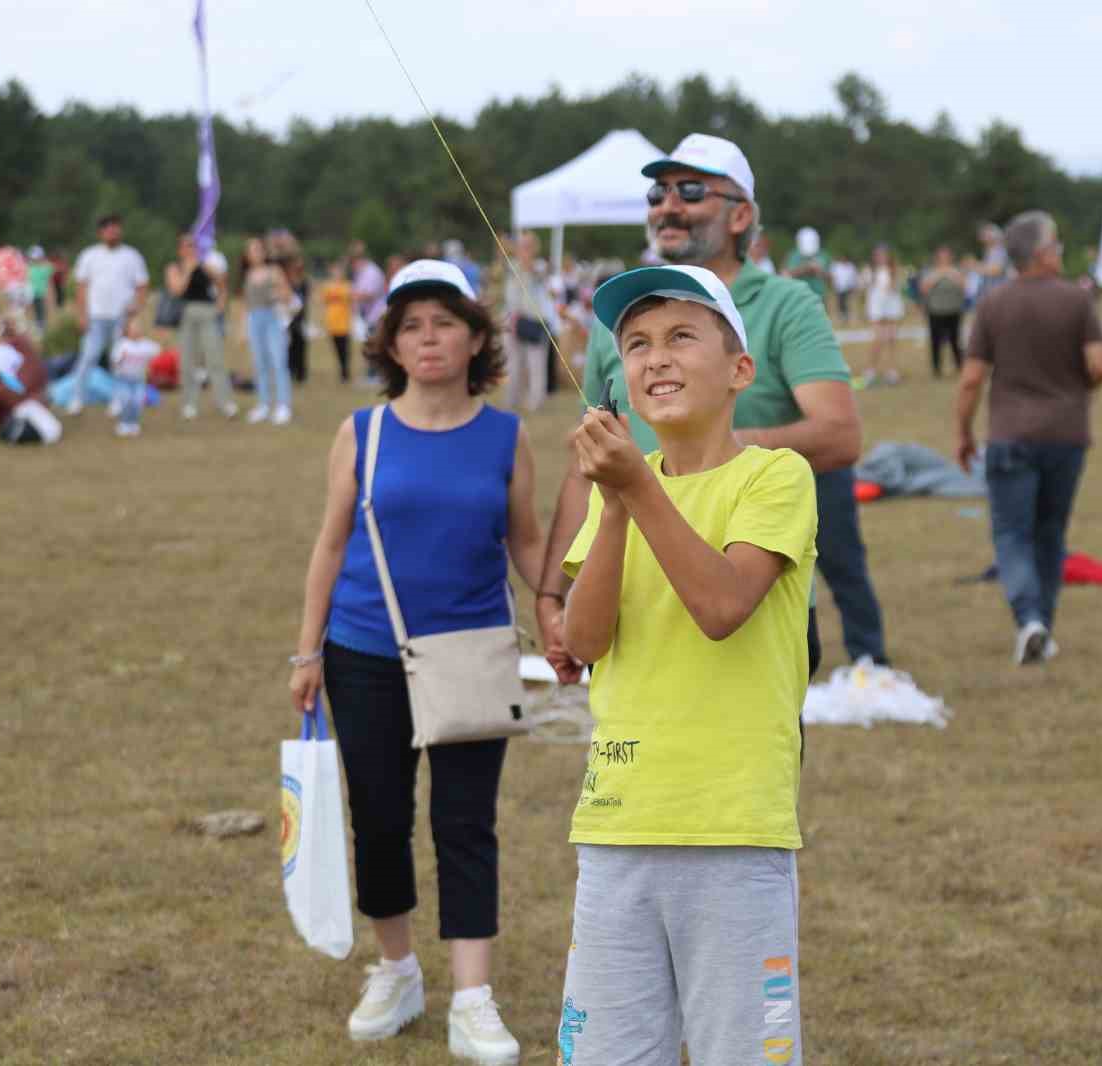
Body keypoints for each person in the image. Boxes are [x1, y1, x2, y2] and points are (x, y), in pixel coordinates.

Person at [556, 263, 815, 1066]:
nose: (654, 357)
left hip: (733, 830)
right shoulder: (619, 496)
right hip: (619, 823)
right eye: (634, 344)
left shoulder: (774, 475)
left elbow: (722, 607)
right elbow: (585, 639)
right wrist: (619, 500)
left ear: (741, 370)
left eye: (679, 337)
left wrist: (637, 488)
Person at [287, 260, 541, 1062]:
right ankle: (396, 970)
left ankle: (473, 998)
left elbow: (528, 539)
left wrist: (562, 608)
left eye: (443, 323)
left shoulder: (505, 433)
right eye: (410, 326)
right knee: (381, 821)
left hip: (470, 652)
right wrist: (306, 650)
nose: (427, 339)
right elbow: (331, 542)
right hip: (362, 652)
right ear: (390, 344)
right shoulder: (361, 432)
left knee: (466, 825)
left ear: (475, 337)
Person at [535, 131, 880, 685]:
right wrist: (555, 594)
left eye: (691, 191)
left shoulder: (788, 304)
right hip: (632, 587)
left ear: (741, 215)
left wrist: (709, 462)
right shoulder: (618, 314)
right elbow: (594, 462)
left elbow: (840, 436)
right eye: (657, 194)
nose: (668, 205)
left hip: (744, 576)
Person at [954, 210, 1102, 665]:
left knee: (1011, 533)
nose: (1061, 253)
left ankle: (1029, 620)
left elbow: (970, 380)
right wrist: (1076, 392)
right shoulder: (1077, 302)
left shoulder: (993, 304)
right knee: (1050, 535)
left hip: (1010, 436)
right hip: (1067, 435)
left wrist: (963, 433)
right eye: (1057, 245)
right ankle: (1042, 621)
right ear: (1042, 253)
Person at [68, 214, 148, 415]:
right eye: (109, 229)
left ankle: (117, 400)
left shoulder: (131, 256)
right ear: (101, 233)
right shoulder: (89, 256)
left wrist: (136, 308)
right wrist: (81, 314)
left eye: (116, 228)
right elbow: (81, 287)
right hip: (95, 316)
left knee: (119, 361)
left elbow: (142, 286)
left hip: (121, 317)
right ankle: (77, 398)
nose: (113, 232)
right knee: (88, 356)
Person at [164, 231, 236, 421]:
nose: (190, 250)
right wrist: (188, 270)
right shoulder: (175, 268)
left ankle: (226, 403)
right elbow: (177, 290)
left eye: (193, 246)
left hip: (207, 312)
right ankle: (189, 403)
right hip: (186, 314)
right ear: (180, 250)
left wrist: (220, 304)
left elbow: (222, 283)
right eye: (186, 246)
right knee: (187, 360)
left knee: (215, 358)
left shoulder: (206, 267)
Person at [241, 236, 294, 425]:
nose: (254, 253)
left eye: (257, 249)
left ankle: (283, 405)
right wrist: (243, 328)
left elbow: (288, 295)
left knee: (278, 361)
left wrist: (278, 294)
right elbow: (246, 304)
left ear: (263, 252)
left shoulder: (274, 271)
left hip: (273, 317)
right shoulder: (248, 275)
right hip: (255, 320)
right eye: (251, 250)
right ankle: (263, 404)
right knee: (259, 363)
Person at [502, 231, 555, 413]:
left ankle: (536, 401)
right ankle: (512, 400)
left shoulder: (540, 266)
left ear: (534, 248)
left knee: (536, 364)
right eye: (521, 245)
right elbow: (502, 259)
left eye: (527, 245)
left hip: (535, 321)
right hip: (512, 321)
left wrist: (525, 257)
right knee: (512, 364)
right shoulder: (512, 265)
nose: (523, 249)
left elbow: (534, 272)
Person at [919, 245, 967, 377]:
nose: (944, 258)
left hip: (954, 310)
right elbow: (924, 289)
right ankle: (936, 369)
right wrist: (939, 275)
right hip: (936, 311)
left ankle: (960, 366)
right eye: (941, 256)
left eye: (946, 256)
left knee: (955, 340)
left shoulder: (957, 270)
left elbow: (964, 286)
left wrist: (951, 274)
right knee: (935, 341)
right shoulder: (930, 271)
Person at [109, 315, 159, 438]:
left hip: (139, 379)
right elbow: (114, 362)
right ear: (127, 330)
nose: (136, 330)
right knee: (126, 400)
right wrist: (121, 359)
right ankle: (124, 423)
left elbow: (158, 351)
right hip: (123, 379)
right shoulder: (122, 345)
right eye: (133, 328)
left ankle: (133, 423)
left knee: (137, 401)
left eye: (138, 327)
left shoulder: (147, 345)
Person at [861, 243, 904, 387]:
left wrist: (892, 276)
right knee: (878, 340)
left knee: (891, 339)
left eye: (884, 254)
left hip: (892, 308)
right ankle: (870, 370)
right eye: (878, 254)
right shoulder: (870, 271)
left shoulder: (894, 270)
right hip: (877, 309)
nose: (881, 257)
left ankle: (892, 371)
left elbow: (897, 288)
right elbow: (864, 289)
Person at [320, 259, 354, 383]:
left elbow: (349, 299)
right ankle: (341, 371)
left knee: (345, 350)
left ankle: (345, 373)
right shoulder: (327, 286)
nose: (337, 274)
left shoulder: (347, 286)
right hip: (332, 323)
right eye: (334, 271)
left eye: (339, 271)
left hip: (343, 323)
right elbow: (324, 301)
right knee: (337, 350)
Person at [281, 251, 310, 385]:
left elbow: (305, 300)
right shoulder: (286, 282)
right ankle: (290, 371)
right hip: (288, 318)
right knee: (289, 346)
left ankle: (301, 373)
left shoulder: (304, 282)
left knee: (301, 345)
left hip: (300, 318)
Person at [783, 226, 828, 304]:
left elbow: (828, 274)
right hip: (798, 297)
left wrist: (818, 270)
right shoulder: (793, 256)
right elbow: (786, 273)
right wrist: (805, 268)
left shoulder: (822, 255)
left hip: (818, 297)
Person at [974, 223, 1010, 307]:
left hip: (997, 292)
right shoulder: (989, 250)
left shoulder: (999, 250)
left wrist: (976, 267)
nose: (983, 238)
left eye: (985, 235)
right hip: (990, 290)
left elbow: (996, 270)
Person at [26, 246, 53, 334]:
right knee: (33, 313)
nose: (36, 260)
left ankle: (43, 329)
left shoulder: (46, 267)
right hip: (31, 294)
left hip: (43, 294)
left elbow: (50, 283)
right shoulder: (28, 268)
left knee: (43, 313)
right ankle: (35, 329)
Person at [829, 254, 858, 324]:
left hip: (848, 288)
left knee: (848, 303)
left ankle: (848, 317)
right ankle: (842, 317)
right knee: (840, 303)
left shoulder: (850, 266)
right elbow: (832, 276)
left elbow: (853, 277)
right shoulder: (836, 266)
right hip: (839, 288)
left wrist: (854, 286)